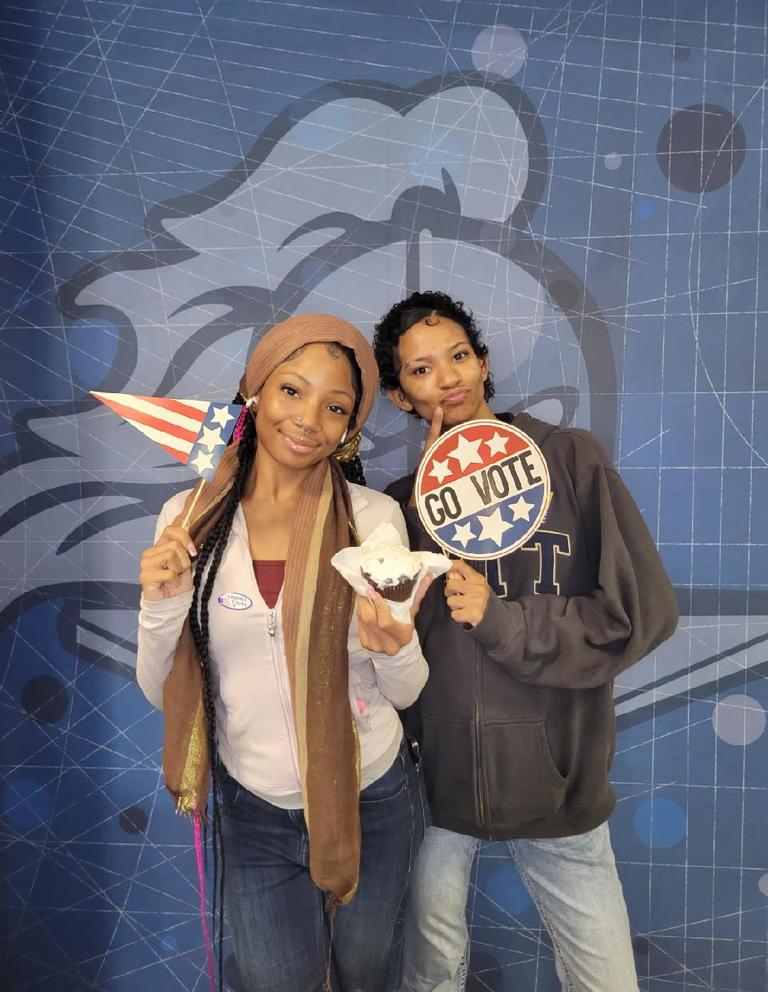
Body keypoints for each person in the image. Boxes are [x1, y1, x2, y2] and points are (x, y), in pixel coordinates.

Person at [372, 291, 679, 992]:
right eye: (421, 371)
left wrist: (503, 619)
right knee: (431, 975)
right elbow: (391, 658)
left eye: (457, 356)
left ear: (482, 364)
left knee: (605, 980)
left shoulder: (570, 459)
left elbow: (636, 613)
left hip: (559, 789)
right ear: (399, 396)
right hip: (436, 795)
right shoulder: (400, 506)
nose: (446, 378)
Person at [136, 314, 432, 992]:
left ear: (350, 428)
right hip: (253, 811)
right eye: (291, 392)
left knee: (363, 972)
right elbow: (160, 688)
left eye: (335, 407)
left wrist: (397, 647)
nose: (308, 420)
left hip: (372, 797)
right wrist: (161, 603)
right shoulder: (189, 520)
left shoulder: (371, 521)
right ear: (255, 394)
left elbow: (408, 690)